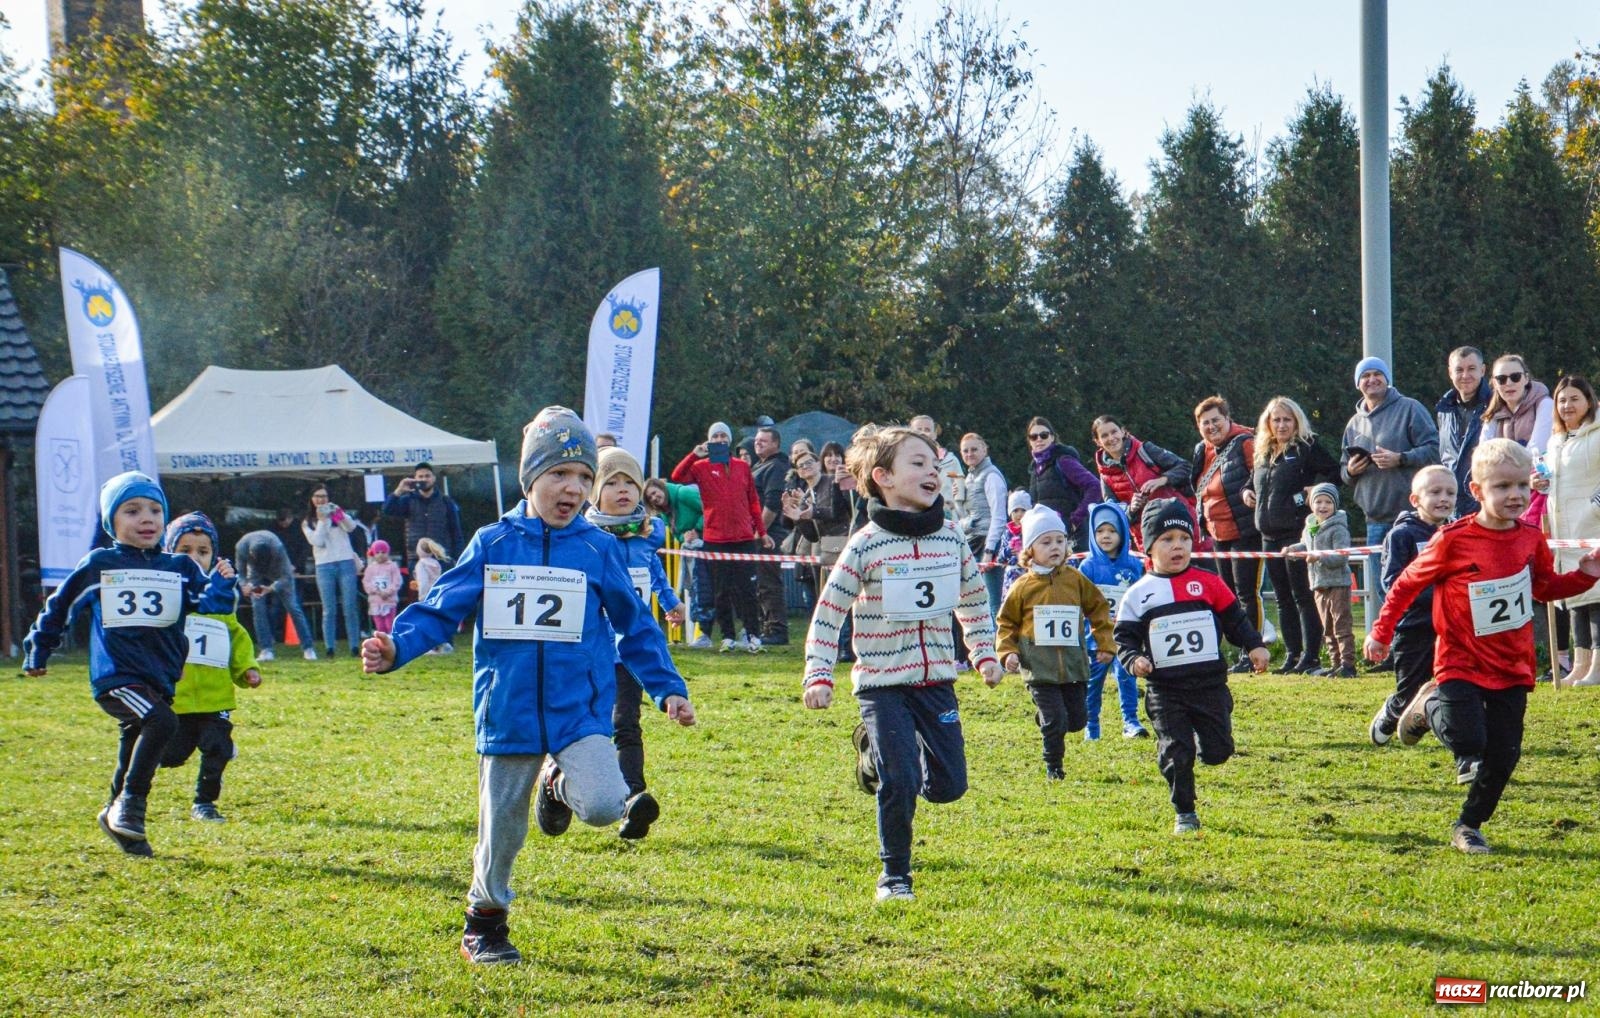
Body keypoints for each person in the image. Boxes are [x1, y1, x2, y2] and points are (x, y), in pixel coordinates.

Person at [361, 406, 696, 963]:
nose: (574, 487)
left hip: (578, 711)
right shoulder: (493, 543)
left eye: (585, 477)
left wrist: (668, 688)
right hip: (509, 711)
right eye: (560, 474)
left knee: (607, 805)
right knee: (503, 834)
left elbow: (637, 627)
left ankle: (556, 783)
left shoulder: (598, 548)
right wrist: (397, 646)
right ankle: (484, 923)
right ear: (530, 477)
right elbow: (443, 608)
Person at [1366, 439, 1600, 854]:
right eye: (1502, 487)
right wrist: (1381, 632)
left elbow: (1545, 587)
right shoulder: (1452, 539)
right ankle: (1425, 706)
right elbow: (1406, 584)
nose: (1514, 495)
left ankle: (1468, 825)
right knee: (1468, 741)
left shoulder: (1529, 538)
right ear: (1477, 491)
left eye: (1522, 486)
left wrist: (1585, 575)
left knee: (1503, 756)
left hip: (1512, 663)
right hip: (1459, 659)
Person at [801, 426, 1002, 902]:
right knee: (902, 779)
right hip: (882, 684)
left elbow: (973, 599)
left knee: (949, 786)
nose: (932, 471)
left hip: (936, 682)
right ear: (883, 478)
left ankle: (884, 757)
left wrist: (984, 651)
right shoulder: (865, 545)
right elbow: (829, 612)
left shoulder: (952, 538)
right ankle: (895, 875)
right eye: (918, 464)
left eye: (934, 464)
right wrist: (818, 672)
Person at [23, 472, 238, 855]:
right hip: (117, 677)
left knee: (135, 737)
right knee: (162, 721)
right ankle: (132, 808)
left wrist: (223, 582)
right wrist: (39, 648)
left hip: (159, 678)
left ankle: (117, 817)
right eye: (133, 510)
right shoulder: (99, 564)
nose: (147, 518)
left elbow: (211, 605)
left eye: (155, 510)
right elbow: (60, 608)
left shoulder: (180, 567)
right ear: (111, 522)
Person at [1113, 499, 1269, 835]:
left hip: (1210, 685)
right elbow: (1123, 639)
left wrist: (1254, 645)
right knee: (1176, 751)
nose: (1177, 546)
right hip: (1166, 690)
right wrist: (1133, 659)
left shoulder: (1209, 582)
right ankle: (1184, 812)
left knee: (1219, 751)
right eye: (1167, 540)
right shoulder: (1138, 594)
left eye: (1183, 539)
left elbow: (1235, 619)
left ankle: (1203, 744)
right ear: (1148, 546)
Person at [586, 446, 687, 840]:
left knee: (625, 722)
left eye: (630, 482)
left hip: (631, 650)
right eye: (612, 482)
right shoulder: (585, 539)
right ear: (595, 491)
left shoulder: (649, 534)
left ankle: (634, 799)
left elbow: (655, 575)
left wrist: (670, 601)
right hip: (592, 651)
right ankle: (559, 786)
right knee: (587, 725)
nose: (623, 490)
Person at [997, 504, 1115, 777]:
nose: (1055, 547)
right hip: (1038, 668)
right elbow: (1006, 622)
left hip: (1073, 666)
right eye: (1046, 541)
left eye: (1060, 540)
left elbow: (1099, 609)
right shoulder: (1022, 587)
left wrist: (1105, 643)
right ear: (1030, 550)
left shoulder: (1075, 579)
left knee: (1076, 720)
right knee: (1056, 720)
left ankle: (1046, 718)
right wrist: (1007, 653)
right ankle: (1054, 767)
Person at [160, 512, 262, 823]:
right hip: (176, 697)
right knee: (172, 755)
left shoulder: (222, 594)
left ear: (213, 555)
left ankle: (204, 803)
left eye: (202, 552)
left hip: (215, 696)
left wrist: (247, 668)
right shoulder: (165, 594)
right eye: (185, 551)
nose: (194, 558)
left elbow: (234, 634)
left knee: (215, 746)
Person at [1245, 397, 1340, 673]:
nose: (1282, 424)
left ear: (1296, 421)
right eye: (1276, 419)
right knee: (1282, 598)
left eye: (1287, 419)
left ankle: (1311, 655)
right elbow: (1250, 482)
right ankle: (1292, 653)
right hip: (1268, 534)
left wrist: (1309, 494)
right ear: (1268, 423)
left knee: (1302, 595)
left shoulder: (1307, 447)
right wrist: (1246, 492)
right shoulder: (1263, 451)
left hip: (1295, 532)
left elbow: (1333, 473)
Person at [1340, 356, 1440, 608]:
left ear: (1387, 379)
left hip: (1412, 519)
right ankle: (1395, 646)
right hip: (1374, 521)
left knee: (1421, 590)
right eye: (1365, 376)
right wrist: (1351, 471)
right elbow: (1343, 471)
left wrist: (1401, 458)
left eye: (1377, 374)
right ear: (1357, 383)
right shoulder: (1353, 424)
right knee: (1387, 594)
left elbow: (1433, 450)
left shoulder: (1410, 408)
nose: (1371, 379)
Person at [1367, 466, 1456, 741]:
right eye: (1435, 492)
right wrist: (1435, 594)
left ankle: (1451, 730)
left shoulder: (1456, 532)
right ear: (1415, 499)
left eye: (1450, 493)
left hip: (1450, 626)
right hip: (1413, 627)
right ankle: (1392, 713)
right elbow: (1392, 582)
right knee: (1410, 690)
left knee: (1453, 683)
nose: (1444, 498)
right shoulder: (1401, 535)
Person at [671, 422, 771, 652]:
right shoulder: (701, 467)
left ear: (729, 441)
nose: (719, 440)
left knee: (747, 589)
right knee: (721, 590)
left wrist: (761, 532)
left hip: (744, 538)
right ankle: (727, 637)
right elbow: (678, 477)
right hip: (715, 539)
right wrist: (693, 455)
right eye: (715, 436)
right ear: (709, 441)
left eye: (723, 436)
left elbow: (753, 501)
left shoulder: (741, 466)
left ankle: (753, 635)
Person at [1190, 396, 1262, 671]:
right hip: (1217, 531)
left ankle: (1252, 649)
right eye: (1205, 423)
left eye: (1215, 420)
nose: (1211, 427)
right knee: (1227, 594)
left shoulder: (1246, 442)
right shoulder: (1203, 450)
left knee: (1246, 592)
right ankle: (1238, 651)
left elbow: (1258, 473)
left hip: (1244, 530)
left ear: (1227, 419)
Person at [1540, 376, 1600, 687]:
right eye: (1562, 400)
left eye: (1574, 399)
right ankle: (1580, 663)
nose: (1567, 406)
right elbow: (1554, 480)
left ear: (1589, 401)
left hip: (1593, 526)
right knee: (1575, 595)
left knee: (1598, 597)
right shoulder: (1555, 441)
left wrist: (1595, 506)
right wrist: (1541, 484)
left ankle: (1599, 665)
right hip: (1565, 530)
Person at [1075, 502, 1148, 739]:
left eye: (1112, 531)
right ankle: (1091, 726)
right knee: (1092, 684)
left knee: (1127, 677)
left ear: (1123, 533)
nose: (1105, 536)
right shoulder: (1087, 566)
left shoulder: (1134, 565)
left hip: (1125, 638)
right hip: (1095, 639)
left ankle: (1131, 722)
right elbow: (1082, 603)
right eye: (1100, 531)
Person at [1090, 414, 1193, 550]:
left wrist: (1162, 480)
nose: (1111, 438)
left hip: (1182, 525)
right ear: (1097, 441)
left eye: (1114, 432)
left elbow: (1185, 467)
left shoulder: (1145, 450)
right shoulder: (1105, 475)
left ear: (1122, 431)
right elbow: (1115, 519)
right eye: (1104, 435)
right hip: (1149, 539)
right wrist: (1131, 509)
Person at [1287, 484, 1357, 677]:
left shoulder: (1339, 528)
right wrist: (1293, 550)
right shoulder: (1310, 525)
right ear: (1311, 504)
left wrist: (1319, 557)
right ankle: (1335, 664)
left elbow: (1341, 557)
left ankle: (1348, 664)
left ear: (1335, 505)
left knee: (1341, 624)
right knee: (1327, 627)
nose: (1323, 506)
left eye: (1328, 502)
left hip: (1338, 584)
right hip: (1318, 583)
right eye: (1318, 501)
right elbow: (1305, 545)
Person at [643, 477, 713, 647]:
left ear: (662, 487)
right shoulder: (666, 513)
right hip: (692, 552)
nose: (654, 498)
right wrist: (686, 537)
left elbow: (710, 508)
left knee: (709, 590)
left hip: (711, 546)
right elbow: (677, 535)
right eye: (650, 498)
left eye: (654, 492)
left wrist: (697, 529)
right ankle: (704, 633)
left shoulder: (683, 493)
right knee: (697, 591)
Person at [235, 529, 317, 662]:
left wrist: (271, 588)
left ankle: (308, 648)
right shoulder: (241, 547)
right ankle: (266, 649)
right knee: (258, 608)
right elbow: (241, 573)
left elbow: (286, 576)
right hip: (255, 573)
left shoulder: (277, 547)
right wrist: (245, 585)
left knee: (293, 607)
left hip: (278, 572)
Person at [303, 484, 363, 658]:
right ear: (312, 499)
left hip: (345, 562)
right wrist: (322, 520)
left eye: (324, 496)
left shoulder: (336, 515)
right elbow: (317, 541)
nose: (321, 500)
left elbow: (351, 527)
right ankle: (330, 647)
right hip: (324, 565)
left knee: (350, 606)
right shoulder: (308, 521)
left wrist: (339, 513)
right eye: (317, 496)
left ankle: (354, 646)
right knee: (328, 608)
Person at [781, 448, 849, 601]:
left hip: (842, 544)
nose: (805, 467)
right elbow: (812, 536)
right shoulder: (805, 495)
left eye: (809, 462)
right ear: (798, 473)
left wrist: (814, 512)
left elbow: (839, 512)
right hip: (823, 550)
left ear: (819, 464)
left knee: (841, 598)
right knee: (826, 599)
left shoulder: (834, 482)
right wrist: (797, 518)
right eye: (801, 466)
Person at [1024, 416, 1099, 549]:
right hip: (1046, 537)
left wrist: (1076, 519)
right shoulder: (1034, 469)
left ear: (1052, 437)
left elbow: (1095, 486)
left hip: (1072, 537)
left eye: (1044, 435)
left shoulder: (1064, 461)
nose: (1039, 439)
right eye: (1033, 437)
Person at [957, 433, 1008, 618]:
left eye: (974, 449)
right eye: (965, 450)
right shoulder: (969, 477)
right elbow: (966, 516)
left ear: (984, 450)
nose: (969, 454)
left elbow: (999, 516)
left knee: (994, 601)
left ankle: (998, 646)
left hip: (988, 544)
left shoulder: (991, 475)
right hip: (973, 542)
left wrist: (990, 548)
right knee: (976, 600)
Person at [750, 425, 793, 645]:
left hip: (769, 535)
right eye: (757, 440)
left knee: (769, 583)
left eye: (763, 441)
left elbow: (772, 503)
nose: (758, 443)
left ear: (776, 443)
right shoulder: (760, 465)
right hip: (757, 532)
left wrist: (760, 533)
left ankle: (777, 630)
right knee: (760, 583)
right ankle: (765, 627)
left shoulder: (776, 466)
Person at [1437, 346, 1491, 516]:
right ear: (1450, 373)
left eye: (1472, 369)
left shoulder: (1496, 406)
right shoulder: (1443, 410)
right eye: (1459, 370)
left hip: (1485, 503)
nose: (1465, 375)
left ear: (1483, 370)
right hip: (1454, 507)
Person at [382, 462, 465, 564]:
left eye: (427, 476)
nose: (424, 479)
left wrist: (458, 558)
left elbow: (456, 532)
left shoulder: (446, 501)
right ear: (415, 479)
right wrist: (399, 490)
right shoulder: (408, 500)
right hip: (416, 557)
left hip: (441, 556)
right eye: (420, 476)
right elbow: (387, 510)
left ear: (434, 478)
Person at [910, 415, 966, 521]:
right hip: (916, 515)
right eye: (918, 429)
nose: (923, 433)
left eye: (927, 429)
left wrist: (956, 503)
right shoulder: (905, 460)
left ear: (935, 434)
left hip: (945, 515)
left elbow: (958, 479)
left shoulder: (948, 461)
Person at [411, 537, 453, 655]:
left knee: (427, 623)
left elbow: (423, 582)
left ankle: (434, 646)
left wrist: (421, 596)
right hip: (437, 595)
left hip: (427, 597)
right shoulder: (436, 563)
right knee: (436, 621)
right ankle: (444, 644)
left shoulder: (421, 564)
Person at [362, 539, 403, 636]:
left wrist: (388, 592)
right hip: (375, 602)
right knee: (380, 627)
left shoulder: (392, 566)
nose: (380, 554)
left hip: (389, 601)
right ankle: (383, 645)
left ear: (388, 553)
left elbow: (397, 581)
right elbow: (366, 582)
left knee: (390, 625)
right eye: (377, 552)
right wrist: (376, 591)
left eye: (383, 552)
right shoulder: (370, 568)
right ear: (373, 554)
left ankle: (393, 643)